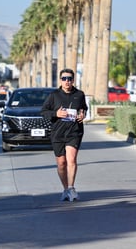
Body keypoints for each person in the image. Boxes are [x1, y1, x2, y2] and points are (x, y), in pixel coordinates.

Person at [41, 68, 88, 202]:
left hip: (74, 131)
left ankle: (72, 188)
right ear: (60, 80)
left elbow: (83, 108)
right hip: (58, 133)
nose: (67, 81)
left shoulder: (79, 94)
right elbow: (43, 111)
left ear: (73, 80)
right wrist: (56, 114)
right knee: (62, 163)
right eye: (64, 79)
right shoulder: (54, 95)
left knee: (71, 160)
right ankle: (65, 189)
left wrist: (82, 114)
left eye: (69, 79)